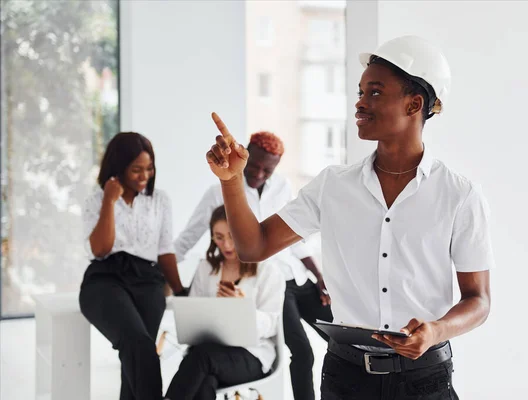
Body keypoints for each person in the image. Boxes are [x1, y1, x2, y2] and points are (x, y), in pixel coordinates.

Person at [204, 35, 494, 399]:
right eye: (360, 92)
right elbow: (253, 246)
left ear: (414, 104)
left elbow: (478, 301)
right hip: (346, 379)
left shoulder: (459, 194)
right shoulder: (332, 186)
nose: (359, 102)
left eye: (374, 92)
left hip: (425, 380)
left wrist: (436, 330)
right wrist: (231, 181)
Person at [175, 131, 333, 400]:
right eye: (255, 165)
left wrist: (318, 276)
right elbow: (189, 236)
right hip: (269, 283)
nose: (259, 173)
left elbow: (295, 236)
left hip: (296, 276)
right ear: (245, 154)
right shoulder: (219, 191)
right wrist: (163, 273)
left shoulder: (281, 186)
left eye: (267, 169)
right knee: (302, 352)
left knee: (340, 338)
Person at [79, 132, 186, 400]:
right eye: (136, 169)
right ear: (118, 169)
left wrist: (181, 291)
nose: (144, 176)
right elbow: (100, 249)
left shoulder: (160, 200)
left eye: (149, 169)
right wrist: (108, 200)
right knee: (137, 345)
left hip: (149, 282)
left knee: (138, 356)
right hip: (105, 280)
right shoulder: (96, 199)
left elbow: (165, 251)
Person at [165, 205, 285, 400]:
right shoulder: (206, 268)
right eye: (219, 237)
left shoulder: (269, 271)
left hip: (251, 355)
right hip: (208, 354)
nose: (227, 245)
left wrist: (242, 307)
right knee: (205, 382)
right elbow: (194, 316)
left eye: (232, 236)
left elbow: (271, 325)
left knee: (201, 359)